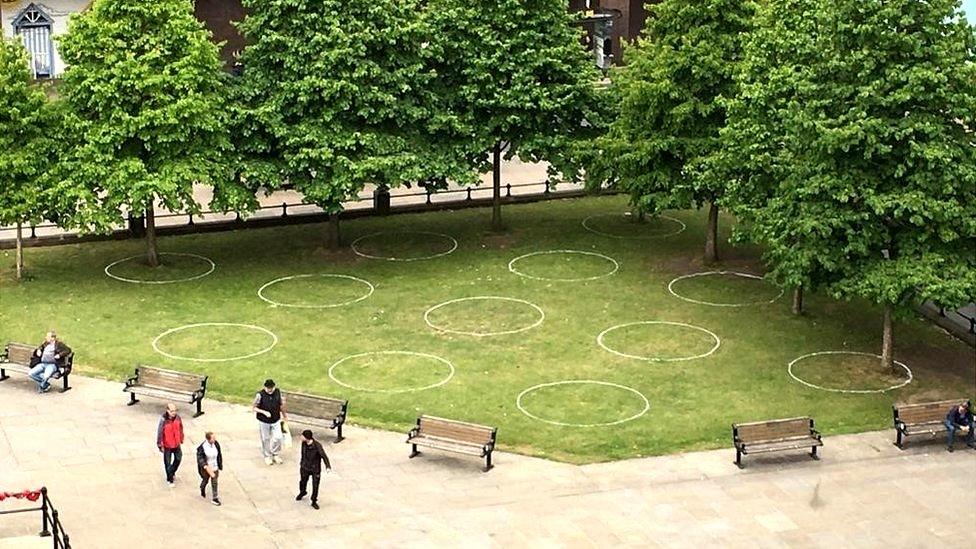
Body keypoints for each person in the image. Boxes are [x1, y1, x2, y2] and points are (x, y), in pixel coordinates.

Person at [252, 379, 287, 465]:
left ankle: (275, 453)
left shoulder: (278, 392)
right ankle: (267, 456)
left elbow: (281, 405)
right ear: (265, 387)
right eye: (268, 388)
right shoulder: (260, 395)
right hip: (264, 421)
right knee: (265, 438)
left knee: (278, 437)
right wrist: (264, 412)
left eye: (271, 388)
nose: (270, 390)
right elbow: (254, 407)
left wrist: (285, 415)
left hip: (276, 419)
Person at [296, 430, 331, 510]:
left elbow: (324, 456)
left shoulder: (317, 446)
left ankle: (314, 500)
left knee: (315, 485)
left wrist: (327, 466)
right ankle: (302, 492)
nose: (301, 437)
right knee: (302, 481)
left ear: (307, 437)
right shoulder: (304, 443)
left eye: (302, 436)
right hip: (305, 467)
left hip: (315, 468)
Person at [156, 403, 184, 484]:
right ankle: (170, 479)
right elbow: (160, 432)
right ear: (167, 411)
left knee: (178, 459)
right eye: (172, 411)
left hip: (176, 443)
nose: (174, 413)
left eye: (175, 411)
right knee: (167, 463)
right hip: (167, 444)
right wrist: (160, 444)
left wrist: (181, 438)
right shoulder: (163, 420)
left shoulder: (178, 418)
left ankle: (172, 471)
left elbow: (181, 428)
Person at [196, 431, 223, 506]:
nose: (215, 439)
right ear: (208, 439)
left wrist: (220, 464)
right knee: (205, 480)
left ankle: (215, 498)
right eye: (213, 438)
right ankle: (202, 487)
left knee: (215, 481)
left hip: (215, 466)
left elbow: (219, 454)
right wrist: (205, 466)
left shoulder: (216, 444)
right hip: (207, 467)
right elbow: (200, 457)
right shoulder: (202, 447)